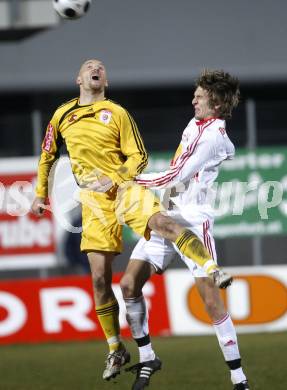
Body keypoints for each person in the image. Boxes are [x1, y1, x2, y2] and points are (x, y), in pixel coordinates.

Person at [31, 59, 232, 382]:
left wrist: (116, 177)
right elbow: (47, 154)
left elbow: (138, 156)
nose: (96, 67)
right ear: (78, 78)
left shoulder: (119, 113)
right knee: (100, 279)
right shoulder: (61, 115)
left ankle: (212, 268)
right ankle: (116, 347)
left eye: (101, 67)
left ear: (105, 81)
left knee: (163, 223)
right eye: (89, 66)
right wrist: (41, 193)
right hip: (94, 202)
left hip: (124, 188)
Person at [121, 70, 250, 390]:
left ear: (216, 103)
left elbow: (173, 174)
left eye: (200, 96)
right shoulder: (195, 125)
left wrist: (130, 180)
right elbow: (176, 177)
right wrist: (161, 202)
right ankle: (148, 356)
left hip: (193, 219)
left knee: (210, 299)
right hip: (169, 214)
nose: (193, 99)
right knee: (128, 284)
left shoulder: (214, 137)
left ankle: (239, 379)